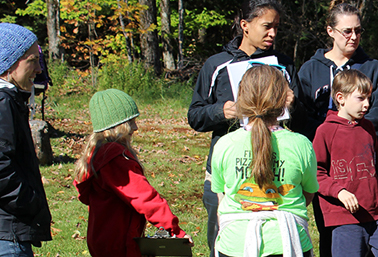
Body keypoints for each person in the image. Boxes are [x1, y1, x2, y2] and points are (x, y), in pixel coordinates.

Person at [186, 1, 296, 255]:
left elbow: (297, 122)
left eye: (277, 28)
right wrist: (219, 112)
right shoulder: (217, 65)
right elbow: (195, 116)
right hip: (226, 169)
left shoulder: (283, 65)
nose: (273, 34)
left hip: (273, 166)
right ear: (245, 26)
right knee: (222, 235)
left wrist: (292, 104)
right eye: (267, 27)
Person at [210, 65, 318, 257]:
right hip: (287, 243)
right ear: (283, 99)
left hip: (235, 244)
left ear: (241, 98)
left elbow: (222, 196)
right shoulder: (301, 144)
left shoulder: (224, 144)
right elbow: (308, 194)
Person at [74, 89, 190, 257]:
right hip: (118, 243)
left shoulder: (97, 153)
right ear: (115, 124)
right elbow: (144, 198)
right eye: (130, 122)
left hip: (102, 238)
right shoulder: (113, 158)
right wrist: (174, 231)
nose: (135, 127)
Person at [312, 69, 378, 257]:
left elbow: (377, 168)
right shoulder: (325, 132)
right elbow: (316, 173)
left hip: (377, 214)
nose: (367, 105)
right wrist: (339, 191)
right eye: (361, 98)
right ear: (341, 98)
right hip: (345, 218)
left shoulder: (368, 127)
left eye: (369, 99)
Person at [294, 3, 378, 141]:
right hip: (318, 150)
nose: (353, 37)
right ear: (330, 31)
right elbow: (301, 116)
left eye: (358, 31)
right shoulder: (311, 69)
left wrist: (350, 136)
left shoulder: (374, 69)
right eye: (347, 31)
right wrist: (327, 136)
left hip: (361, 149)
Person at [0, 23, 52, 257]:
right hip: (7, 234)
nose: (39, 69)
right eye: (32, 60)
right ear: (8, 64)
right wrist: (29, 203)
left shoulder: (10, 100)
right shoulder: (3, 103)